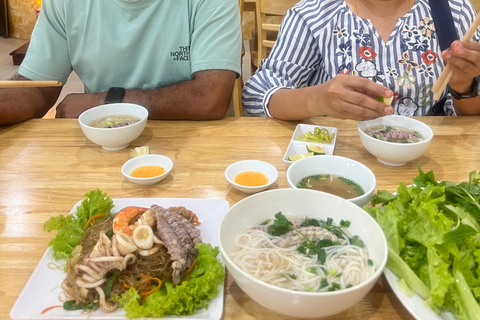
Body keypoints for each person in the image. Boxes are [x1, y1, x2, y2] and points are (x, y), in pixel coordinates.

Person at [0, 0, 242, 125]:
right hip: (100, 145)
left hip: (198, 144)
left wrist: (102, 103)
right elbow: (37, 87)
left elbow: (211, 98)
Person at [242, 0, 480, 120]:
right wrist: (315, 100)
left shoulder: (453, 12)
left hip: (429, 169)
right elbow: (256, 95)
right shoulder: (314, 14)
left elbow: (469, 123)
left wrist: (464, 87)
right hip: (340, 165)